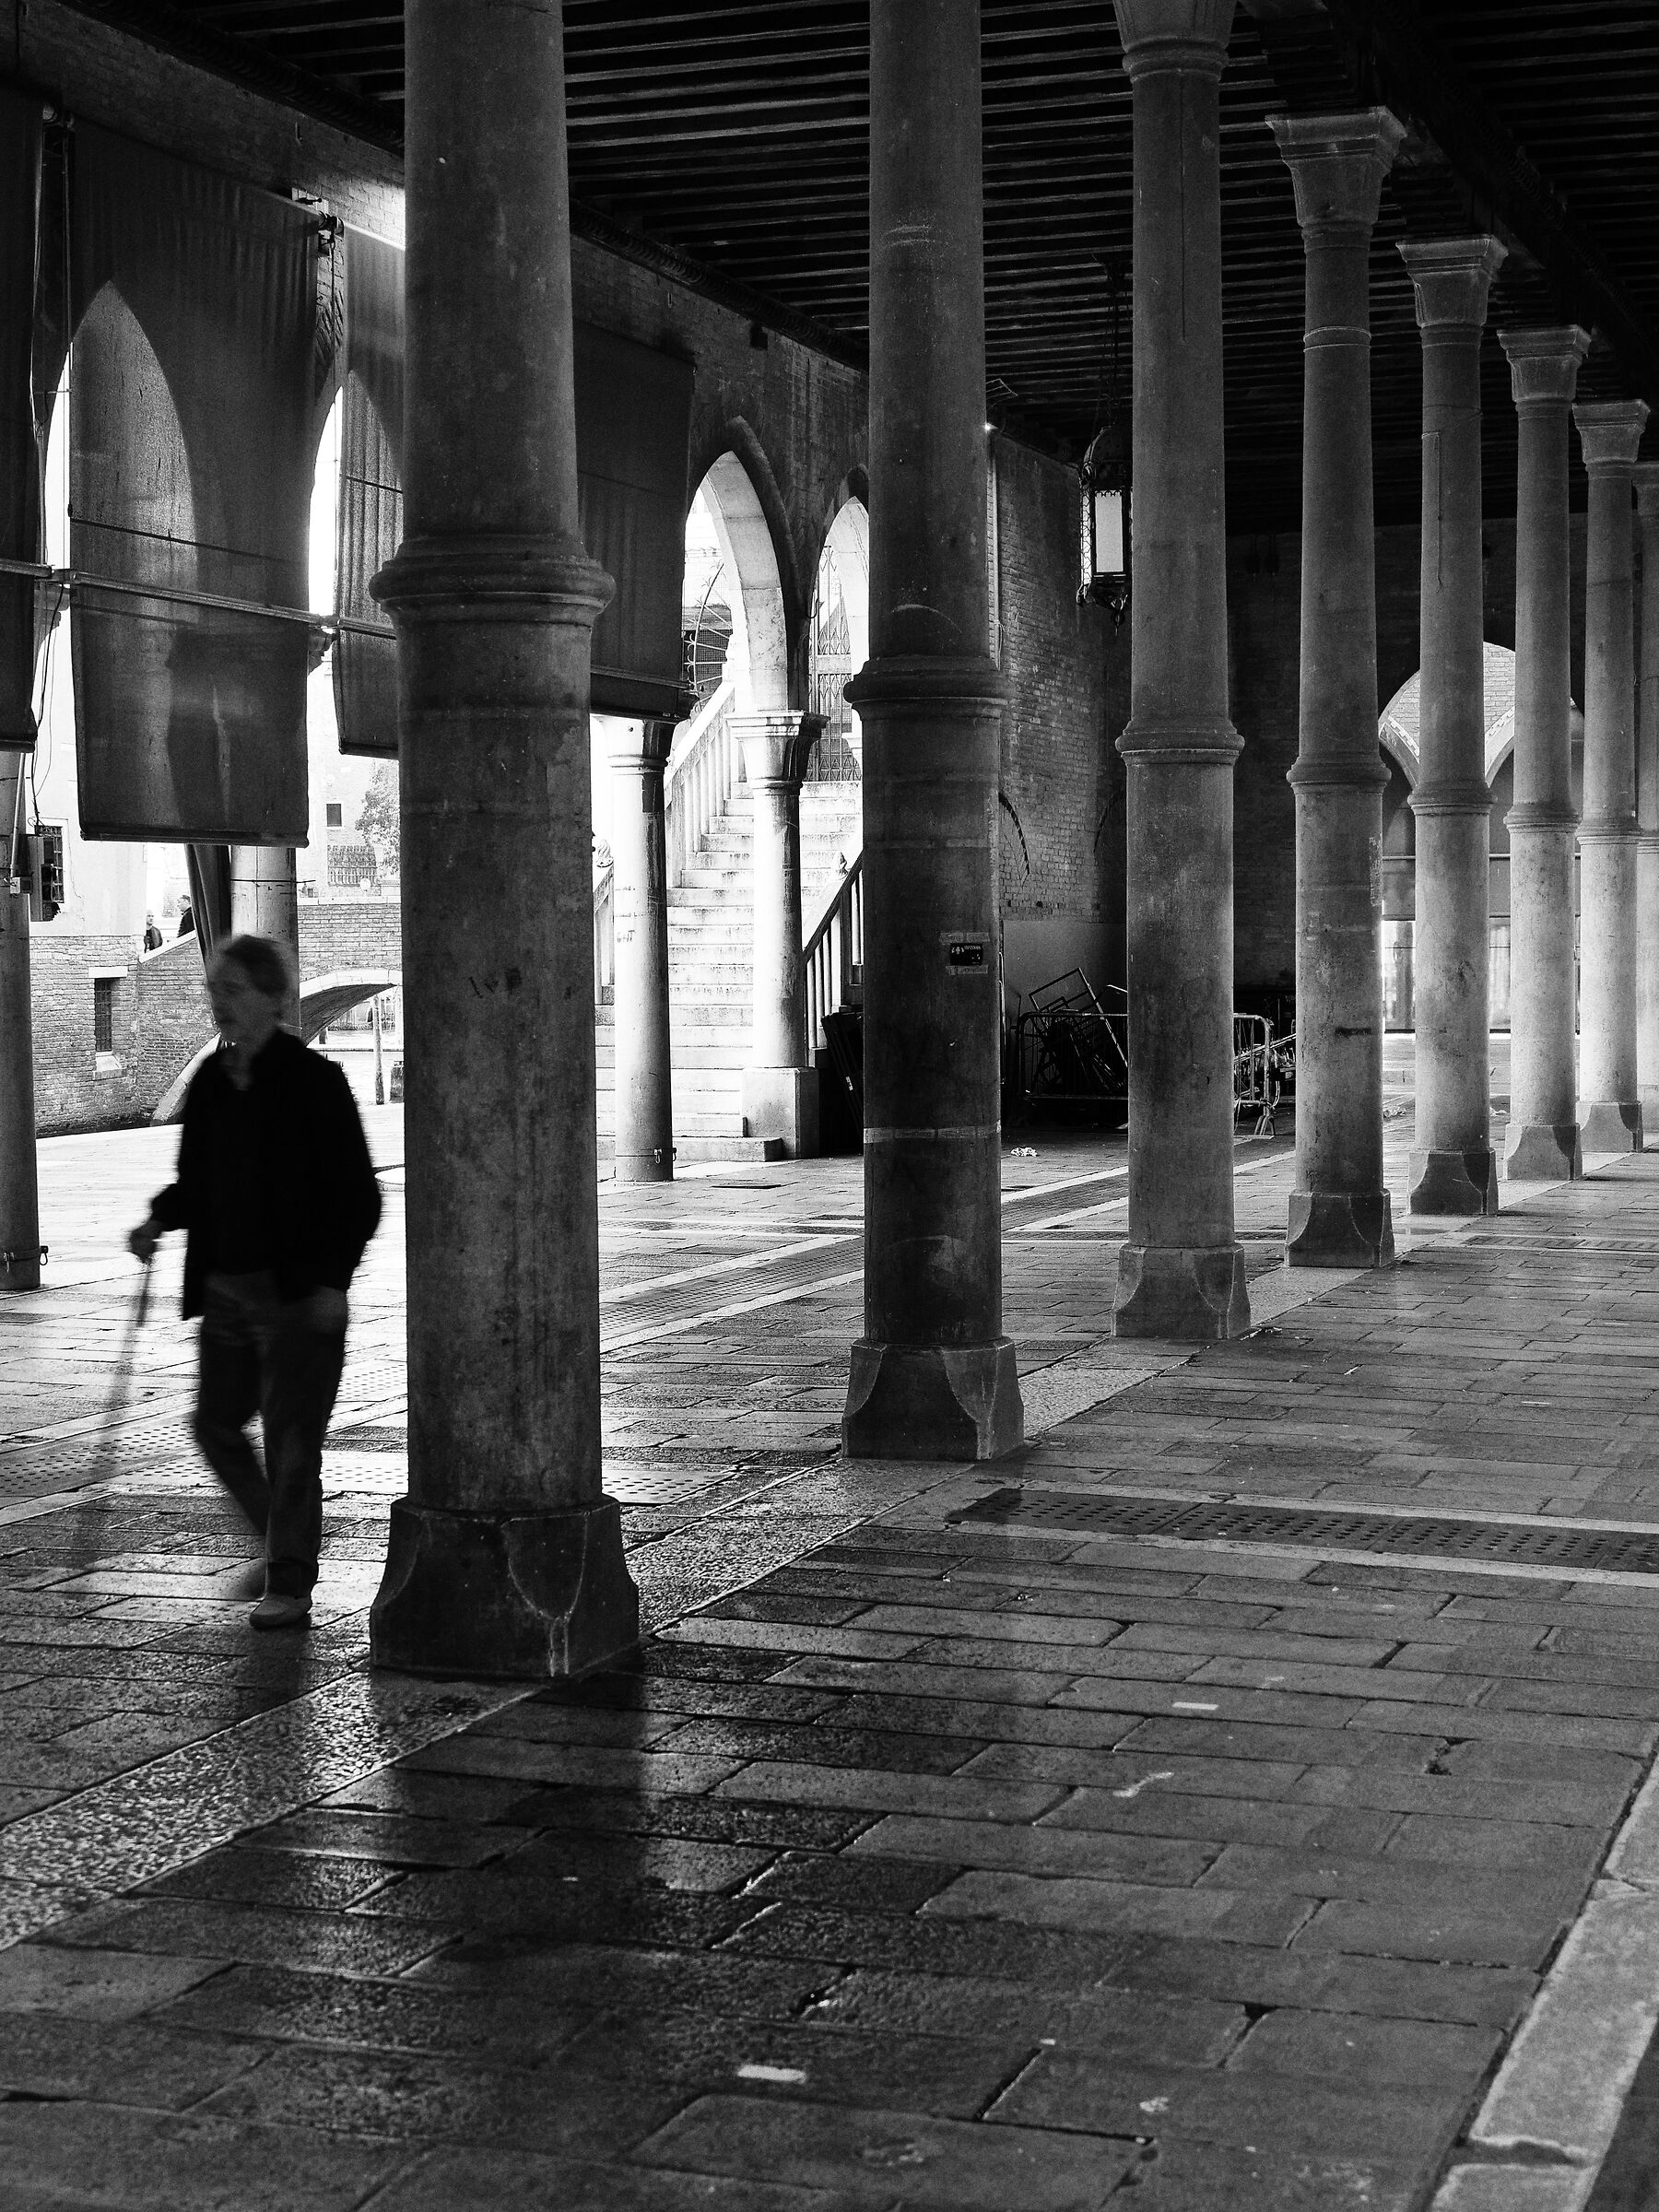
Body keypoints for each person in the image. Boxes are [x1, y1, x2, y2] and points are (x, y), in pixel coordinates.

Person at [129, 934, 381, 1630]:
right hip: (226, 1290)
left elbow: (358, 1196)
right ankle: (282, 1541)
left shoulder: (314, 1082)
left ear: (272, 999)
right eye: (214, 993)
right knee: (214, 1424)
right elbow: (197, 1181)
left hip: (297, 1294)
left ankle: (291, 1583)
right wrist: (158, 1219)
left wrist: (334, 1282)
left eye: (232, 992)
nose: (219, 1006)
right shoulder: (211, 1081)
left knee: (293, 1439)